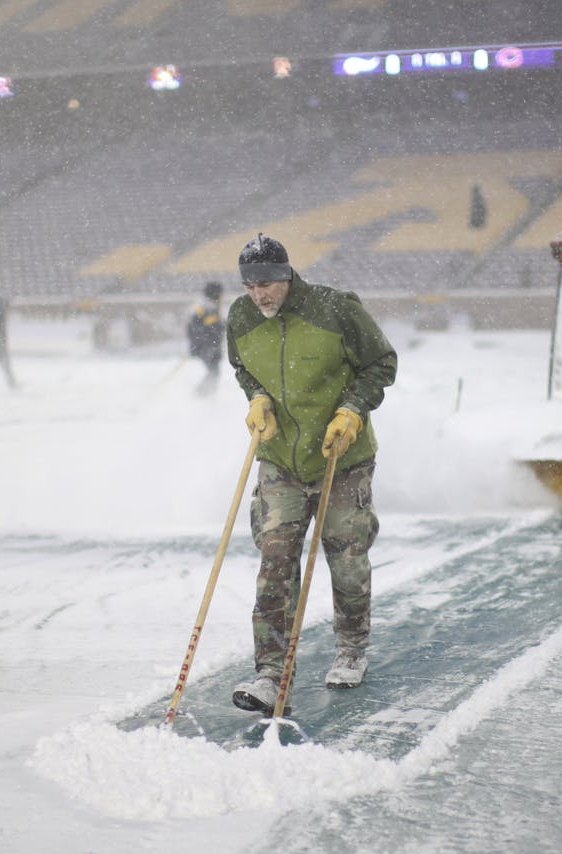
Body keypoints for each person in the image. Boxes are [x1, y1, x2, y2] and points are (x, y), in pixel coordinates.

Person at [226, 234, 397, 714]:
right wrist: (256, 397)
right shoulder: (240, 317)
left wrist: (352, 409)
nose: (259, 294)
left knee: (345, 557)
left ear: (287, 275)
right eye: (250, 285)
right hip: (281, 457)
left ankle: (351, 648)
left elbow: (381, 364)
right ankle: (270, 672)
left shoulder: (336, 309)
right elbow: (243, 368)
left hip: (342, 454)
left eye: (268, 283)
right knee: (275, 560)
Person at [186, 281, 225, 395]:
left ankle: (206, 394)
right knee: (214, 372)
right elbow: (202, 328)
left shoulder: (208, 306)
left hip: (208, 346)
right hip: (206, 347)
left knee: (214, 371)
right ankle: (201, 394)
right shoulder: (206, 308)